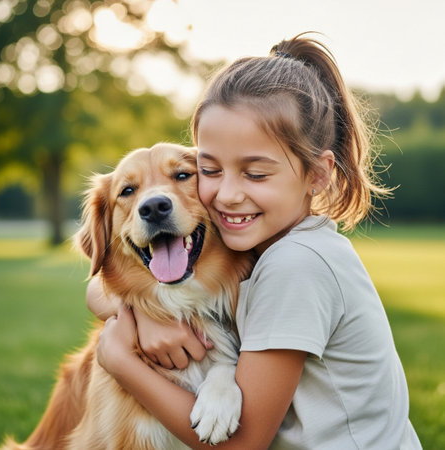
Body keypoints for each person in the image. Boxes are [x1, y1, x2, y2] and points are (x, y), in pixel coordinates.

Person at [88, 33, 422, 449]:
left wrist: (120, 361)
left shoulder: (294, 265)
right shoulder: (261, 248)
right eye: (210, 170)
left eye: (256, 174)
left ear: (317, 175)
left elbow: (242, 444)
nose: (227, 194)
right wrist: (135, 311)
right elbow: (115, 281)